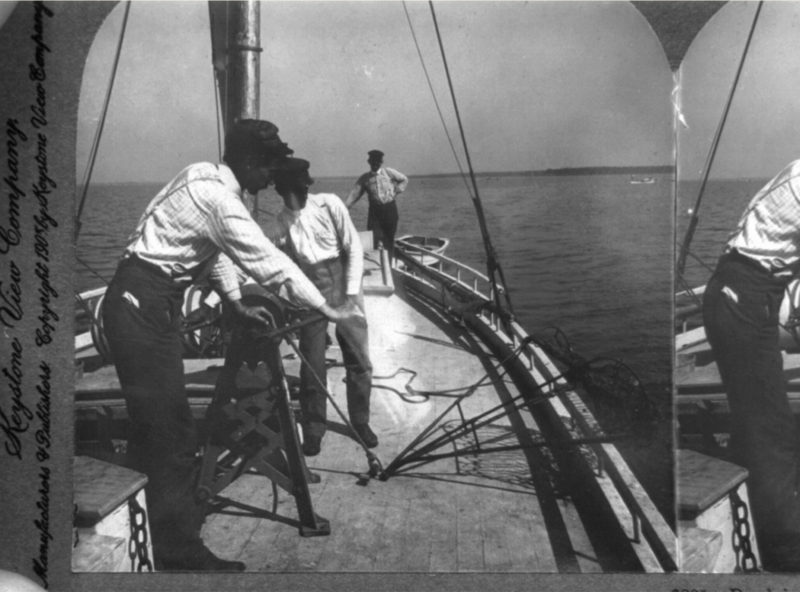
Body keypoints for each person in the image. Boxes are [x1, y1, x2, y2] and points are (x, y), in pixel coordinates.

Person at [102, 120, 361, 572]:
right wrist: (329, 307)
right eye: (267, 168)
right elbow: (268, 261)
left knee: (155, 427)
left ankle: (148, 526)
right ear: (246, 163)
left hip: (142, 301)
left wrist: (235, 302)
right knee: (175, 434)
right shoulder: (221, 200)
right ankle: (178, 551)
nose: (270, 178)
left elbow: (214, 250)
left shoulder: (200, 174)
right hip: (143, 307)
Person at [702, 159, 800, 572]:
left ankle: (760, 520)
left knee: (757, 422)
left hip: (739, 293)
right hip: (744, 298)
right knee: (772, 430)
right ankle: (785, 553)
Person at [272, 157, 377, 456]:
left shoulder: (330, 204)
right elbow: (265, 261)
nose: (303, 193)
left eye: (305, 187)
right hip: (311, 293)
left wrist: (352, 295)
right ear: (282, 190)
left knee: (359, 358)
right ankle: (315, 428)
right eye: (296, 188)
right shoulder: (279, 226)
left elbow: (353, 247)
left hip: (345, 283)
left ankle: (360, 421)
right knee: (312, 364)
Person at [345, 149, 408, 262]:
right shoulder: (365, 178)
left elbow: (404, 179)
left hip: (390, 210)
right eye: (373, 161)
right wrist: (344, 208)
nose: (375, 164)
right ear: (369, 162)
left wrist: (395, 191)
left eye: (377, 162)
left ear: (381, 162)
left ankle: (388, 265)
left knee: (389, 239)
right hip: (375, 212)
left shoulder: (388, 172)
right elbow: (354, 194)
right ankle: (375, 265)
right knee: (373, 239)